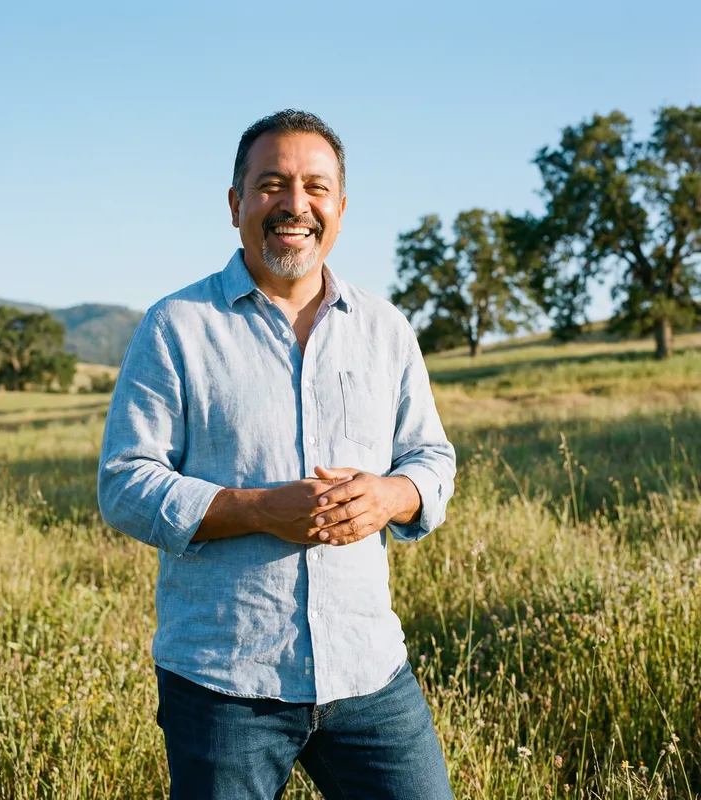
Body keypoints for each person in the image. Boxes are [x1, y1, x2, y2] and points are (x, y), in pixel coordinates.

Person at [98, 109, 457, 799]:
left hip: (369, 675)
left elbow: (430, 456)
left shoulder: (385, 329)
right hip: (225, 683)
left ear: (341, 209)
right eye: (271, 185)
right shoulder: (177, 326)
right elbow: (125, 484)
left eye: (315, 187)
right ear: (236, 204)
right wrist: (260, 509)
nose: (295, 204)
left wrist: (392, 495)